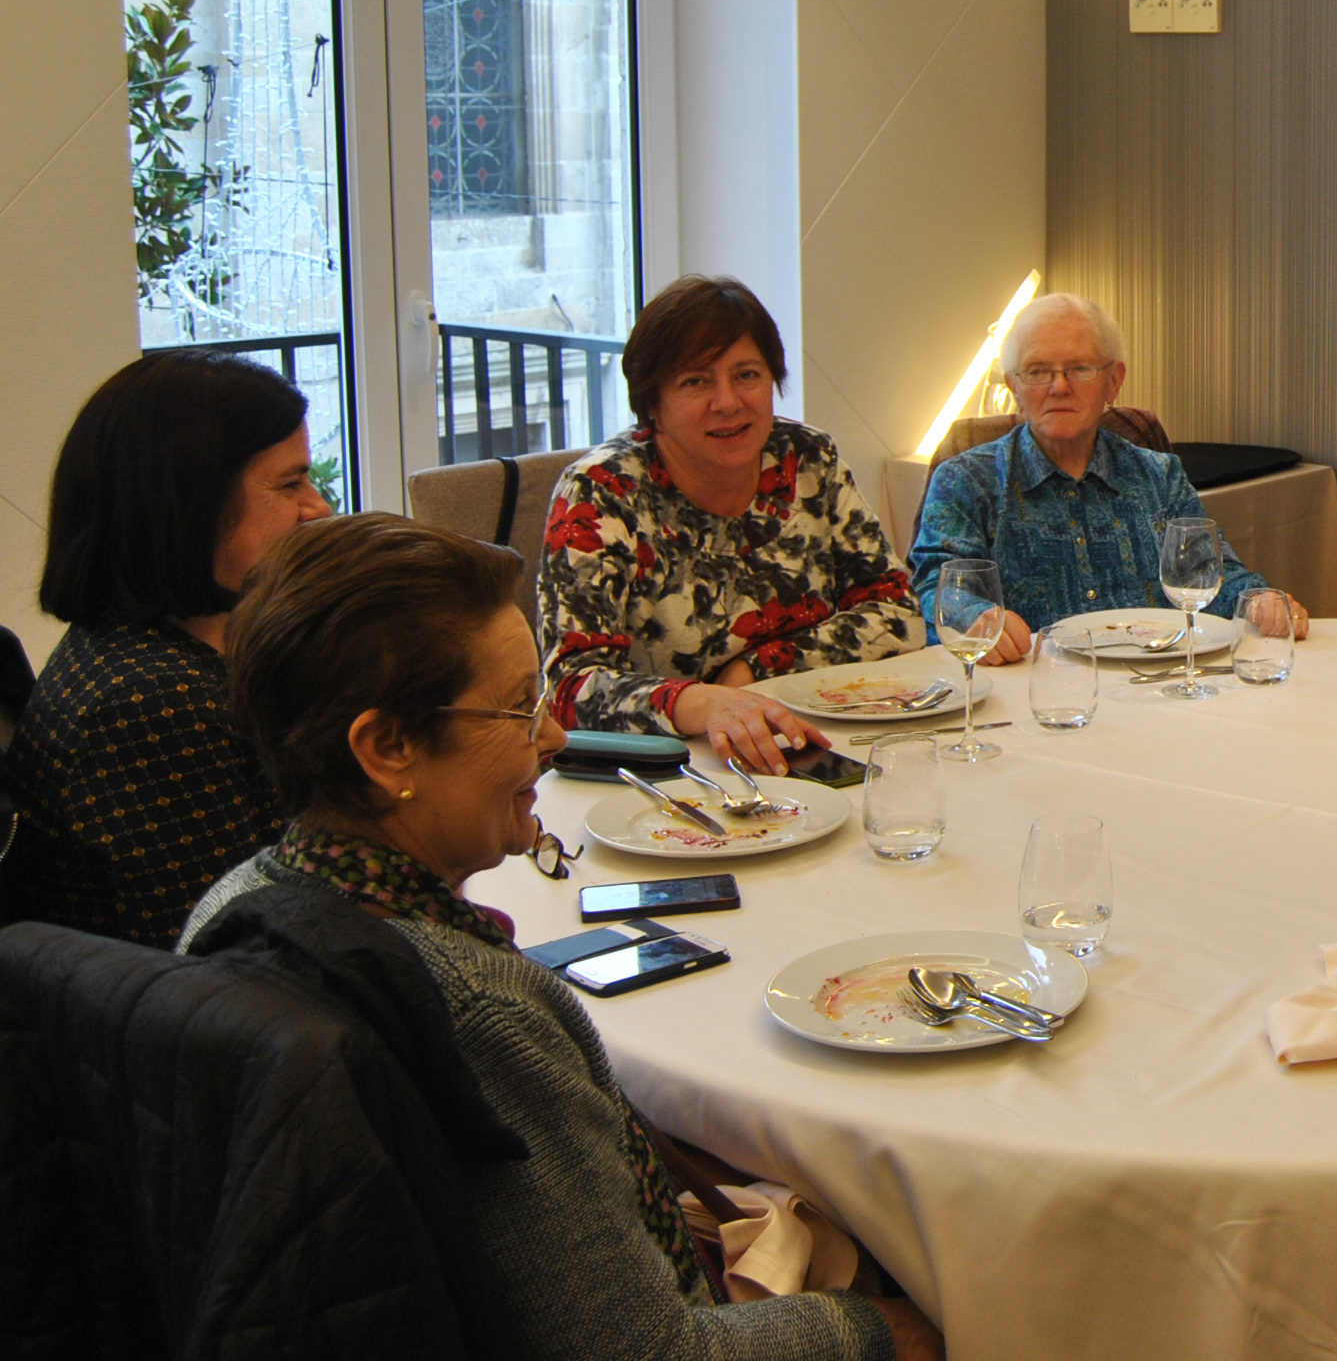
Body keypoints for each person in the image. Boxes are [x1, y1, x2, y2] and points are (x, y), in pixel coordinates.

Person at [184, 513, 941, 1361]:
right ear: (388, 748)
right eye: (517, 708)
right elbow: (644, 1352)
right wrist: (873, 1333)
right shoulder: (479, 1009)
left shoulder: (232, 905)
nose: (551, 737)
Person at [1, 353, 330, 946]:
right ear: (189, 504)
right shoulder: (151, 704)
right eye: (289, 484)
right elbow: (235, 960)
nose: (318, 507)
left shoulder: (153, 649)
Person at [539, 277, 923, 773]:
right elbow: (569, 687)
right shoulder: (600, 491)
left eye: (747, 375)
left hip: (811, 741)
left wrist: (753, 671)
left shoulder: (807, 460)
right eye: (695, 382)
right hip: (663, 771)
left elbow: (897, 612)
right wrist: (705, 703)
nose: (727, 401)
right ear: (652, 404)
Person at [908, 291, 1306, 658]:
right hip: (1033, 690)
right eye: (1038, 371)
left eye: (1079, 368)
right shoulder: (965, 481)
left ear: (1113, 381)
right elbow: (936, 588)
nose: (1058, 387)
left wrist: (1258, 600)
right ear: (1014, 386)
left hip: (1155, 685)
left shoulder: (1159, 476)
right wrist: (974, 618)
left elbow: (1210, 579)